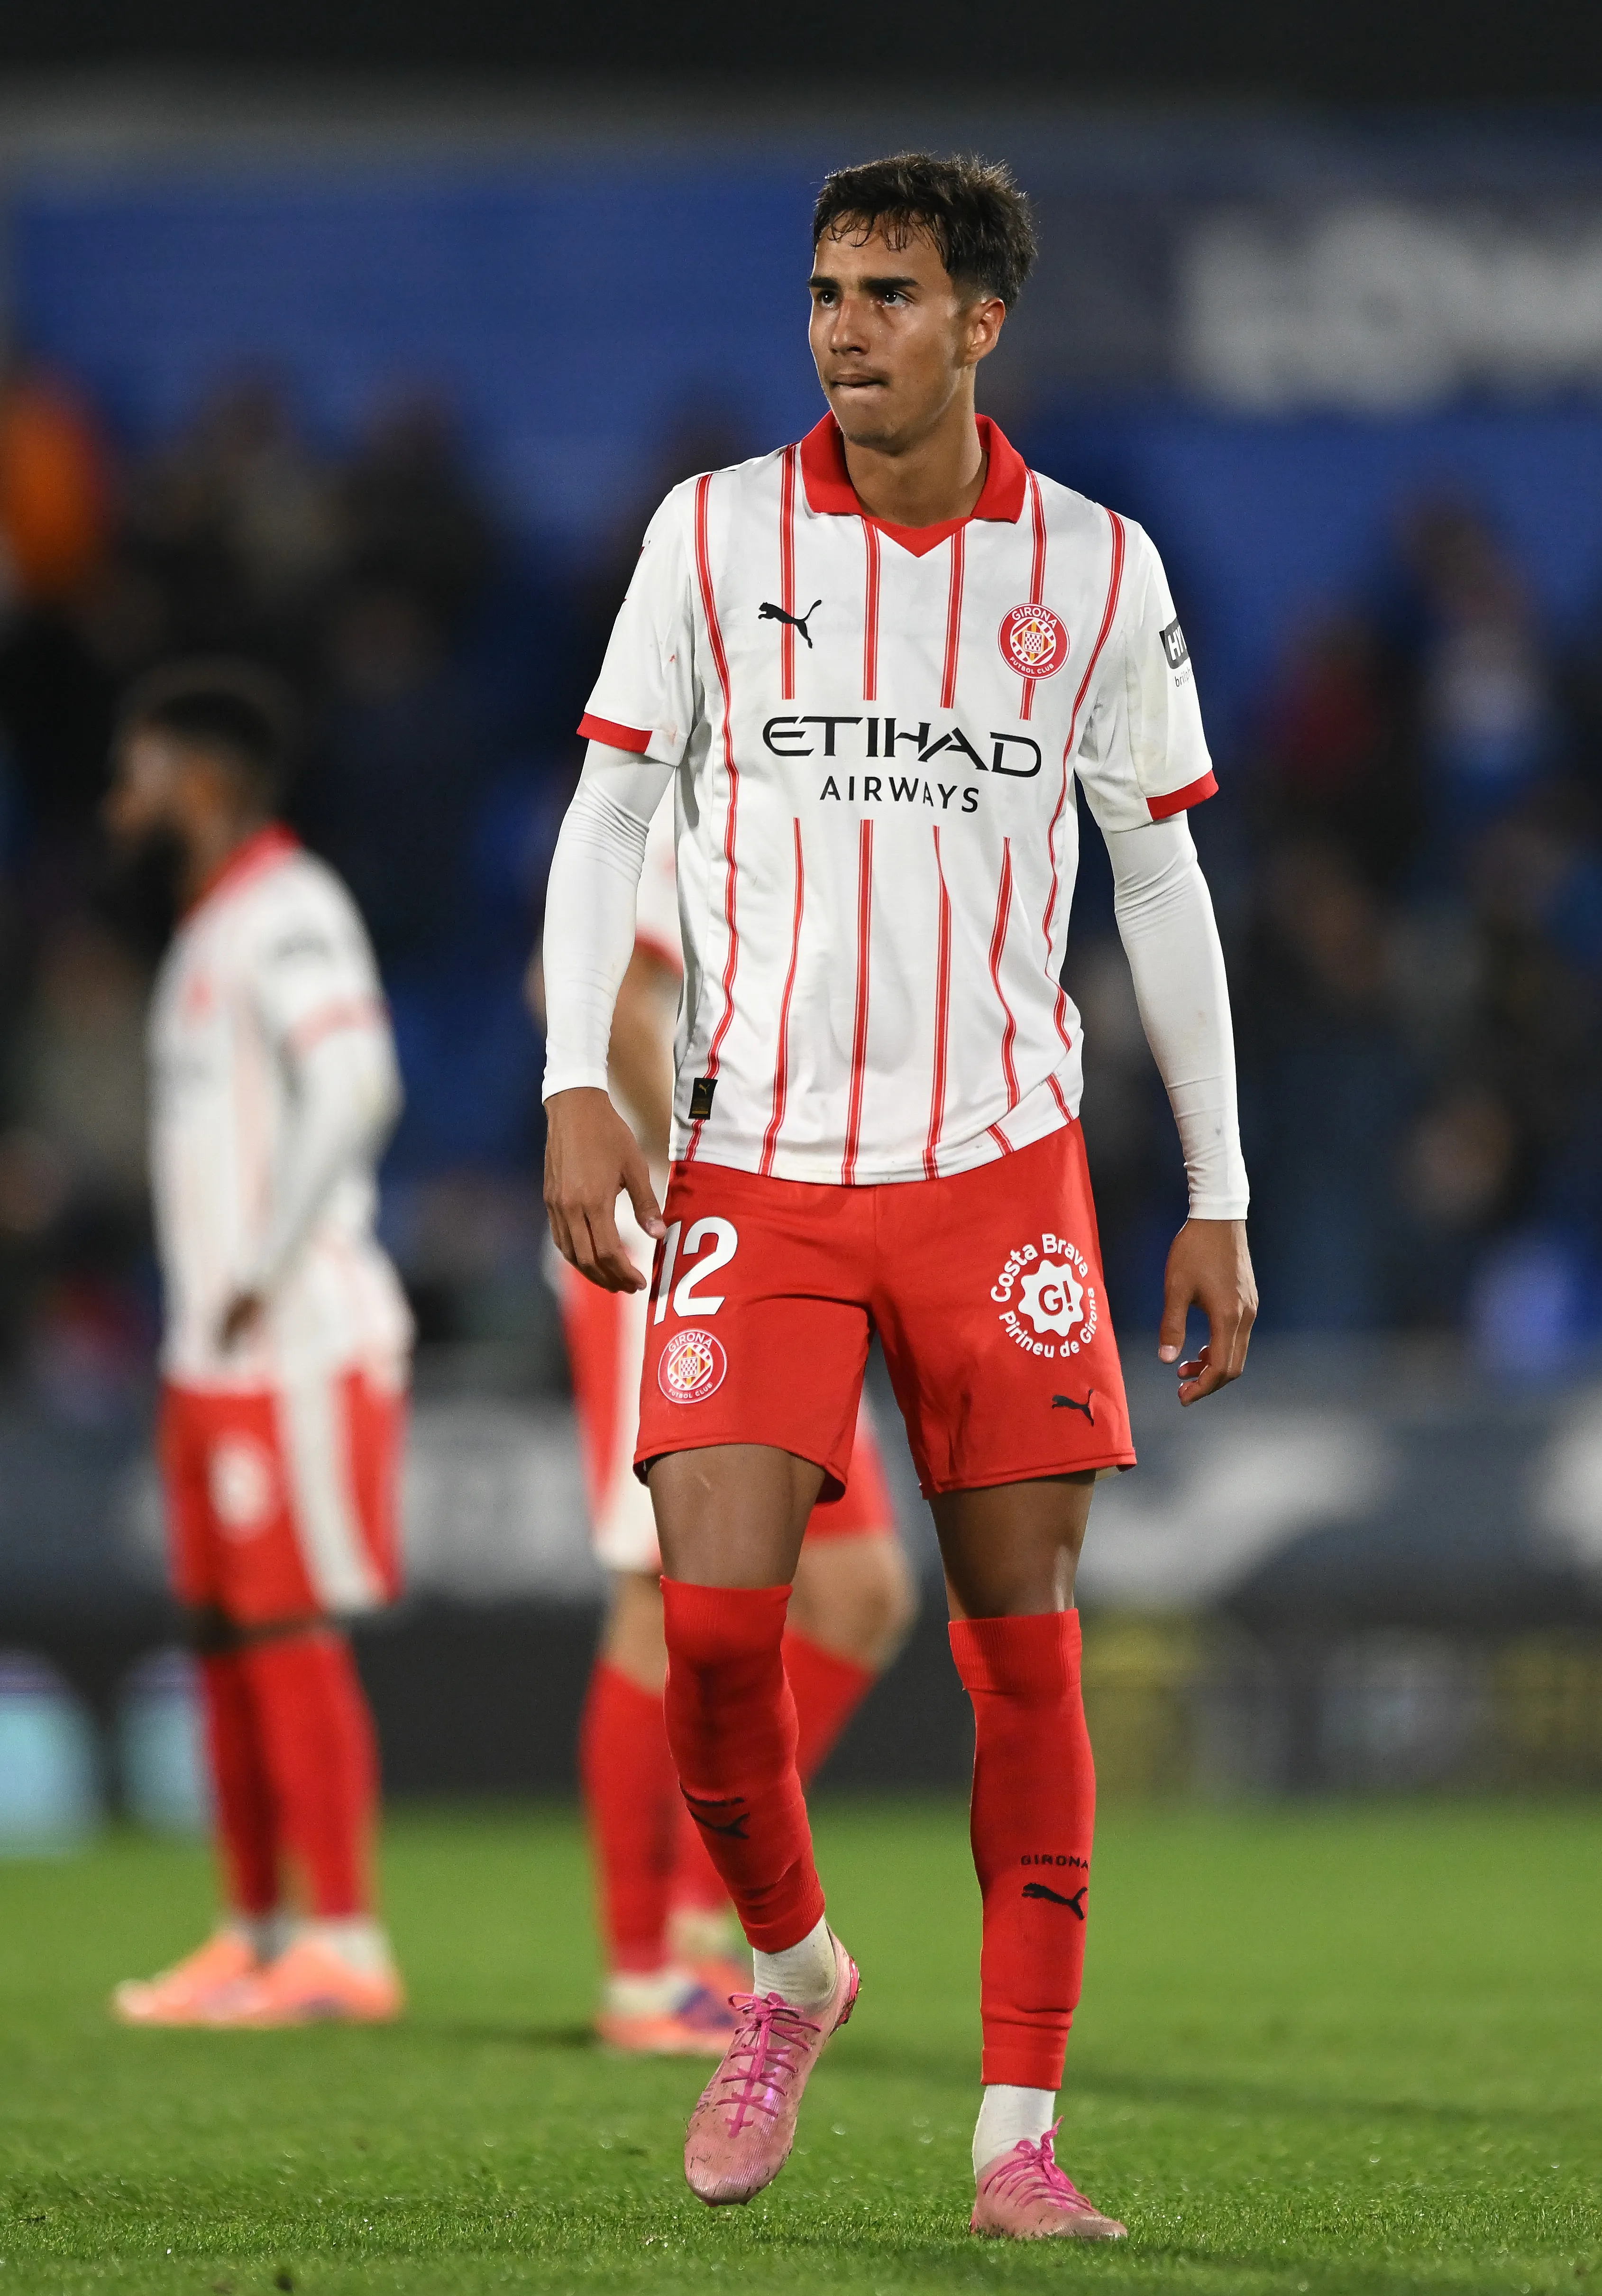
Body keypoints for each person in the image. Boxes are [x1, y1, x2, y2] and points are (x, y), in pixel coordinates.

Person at [540, 152, 1256, 2241]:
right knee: (714, 1627)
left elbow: (1162, 879)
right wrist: (579, 1079)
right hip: (758, 1163)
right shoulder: (712, 533)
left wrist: (1212, 1187)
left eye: (888, 295)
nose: (843, 329)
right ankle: (790, 1975)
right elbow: (605, 812)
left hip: (995, 1177)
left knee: (1020, 1655)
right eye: (826, 293)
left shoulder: (1099, 573)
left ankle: (1015, 2137)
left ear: (982, 323)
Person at [533, 793, 916, 2054]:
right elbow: (587, 993)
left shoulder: (832, 807)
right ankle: (642, 1970)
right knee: (661, 1594)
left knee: (858, 1593)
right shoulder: (686, 793)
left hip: (793, 1241)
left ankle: (706, 1912)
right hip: (679, 1239)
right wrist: (706, 1163)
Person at [105, 659, 413, 2028]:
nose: (122, 804)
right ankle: (254, 1931)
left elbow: (357, 1087)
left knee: (287, 1631)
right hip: (212, 1352)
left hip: (294, 1340)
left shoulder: (289, 910)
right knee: (225, 1635)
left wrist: (261, 1267)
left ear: (207, 786)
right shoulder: (208, 928)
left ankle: (345, 1941)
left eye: (144, 776)